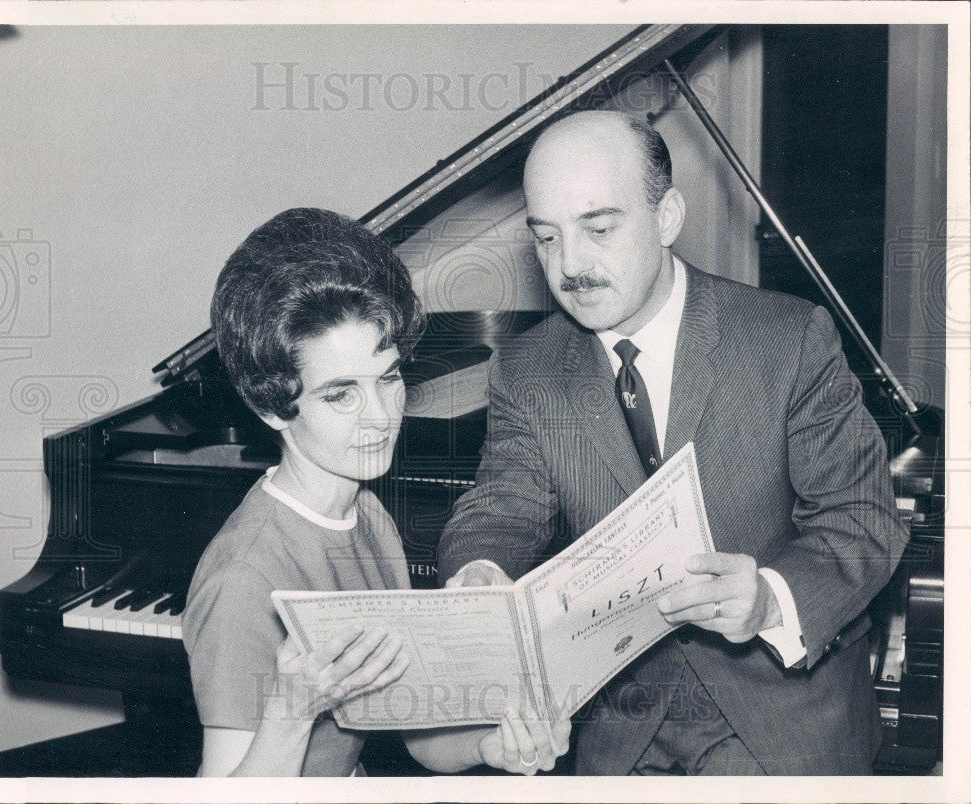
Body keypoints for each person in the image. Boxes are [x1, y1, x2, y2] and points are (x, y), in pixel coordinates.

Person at [438, 111, 909, 775]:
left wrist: (771, 597)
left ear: (666, 219)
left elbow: (862, 521)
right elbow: (500, 512)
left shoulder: (790, 338)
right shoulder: (526, 369)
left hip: (783, 730)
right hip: (619, 737)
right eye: (546, 239)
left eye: (598, 229)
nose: (570, 265)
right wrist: (480, 572)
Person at [183, 208, 568, 776]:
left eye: (388, 378)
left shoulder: (367, 513)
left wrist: (493, 747)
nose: (382, 418)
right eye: (341, 394)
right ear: (270, 407)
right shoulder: (244, 580)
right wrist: (290, 715)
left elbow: (417, 737)